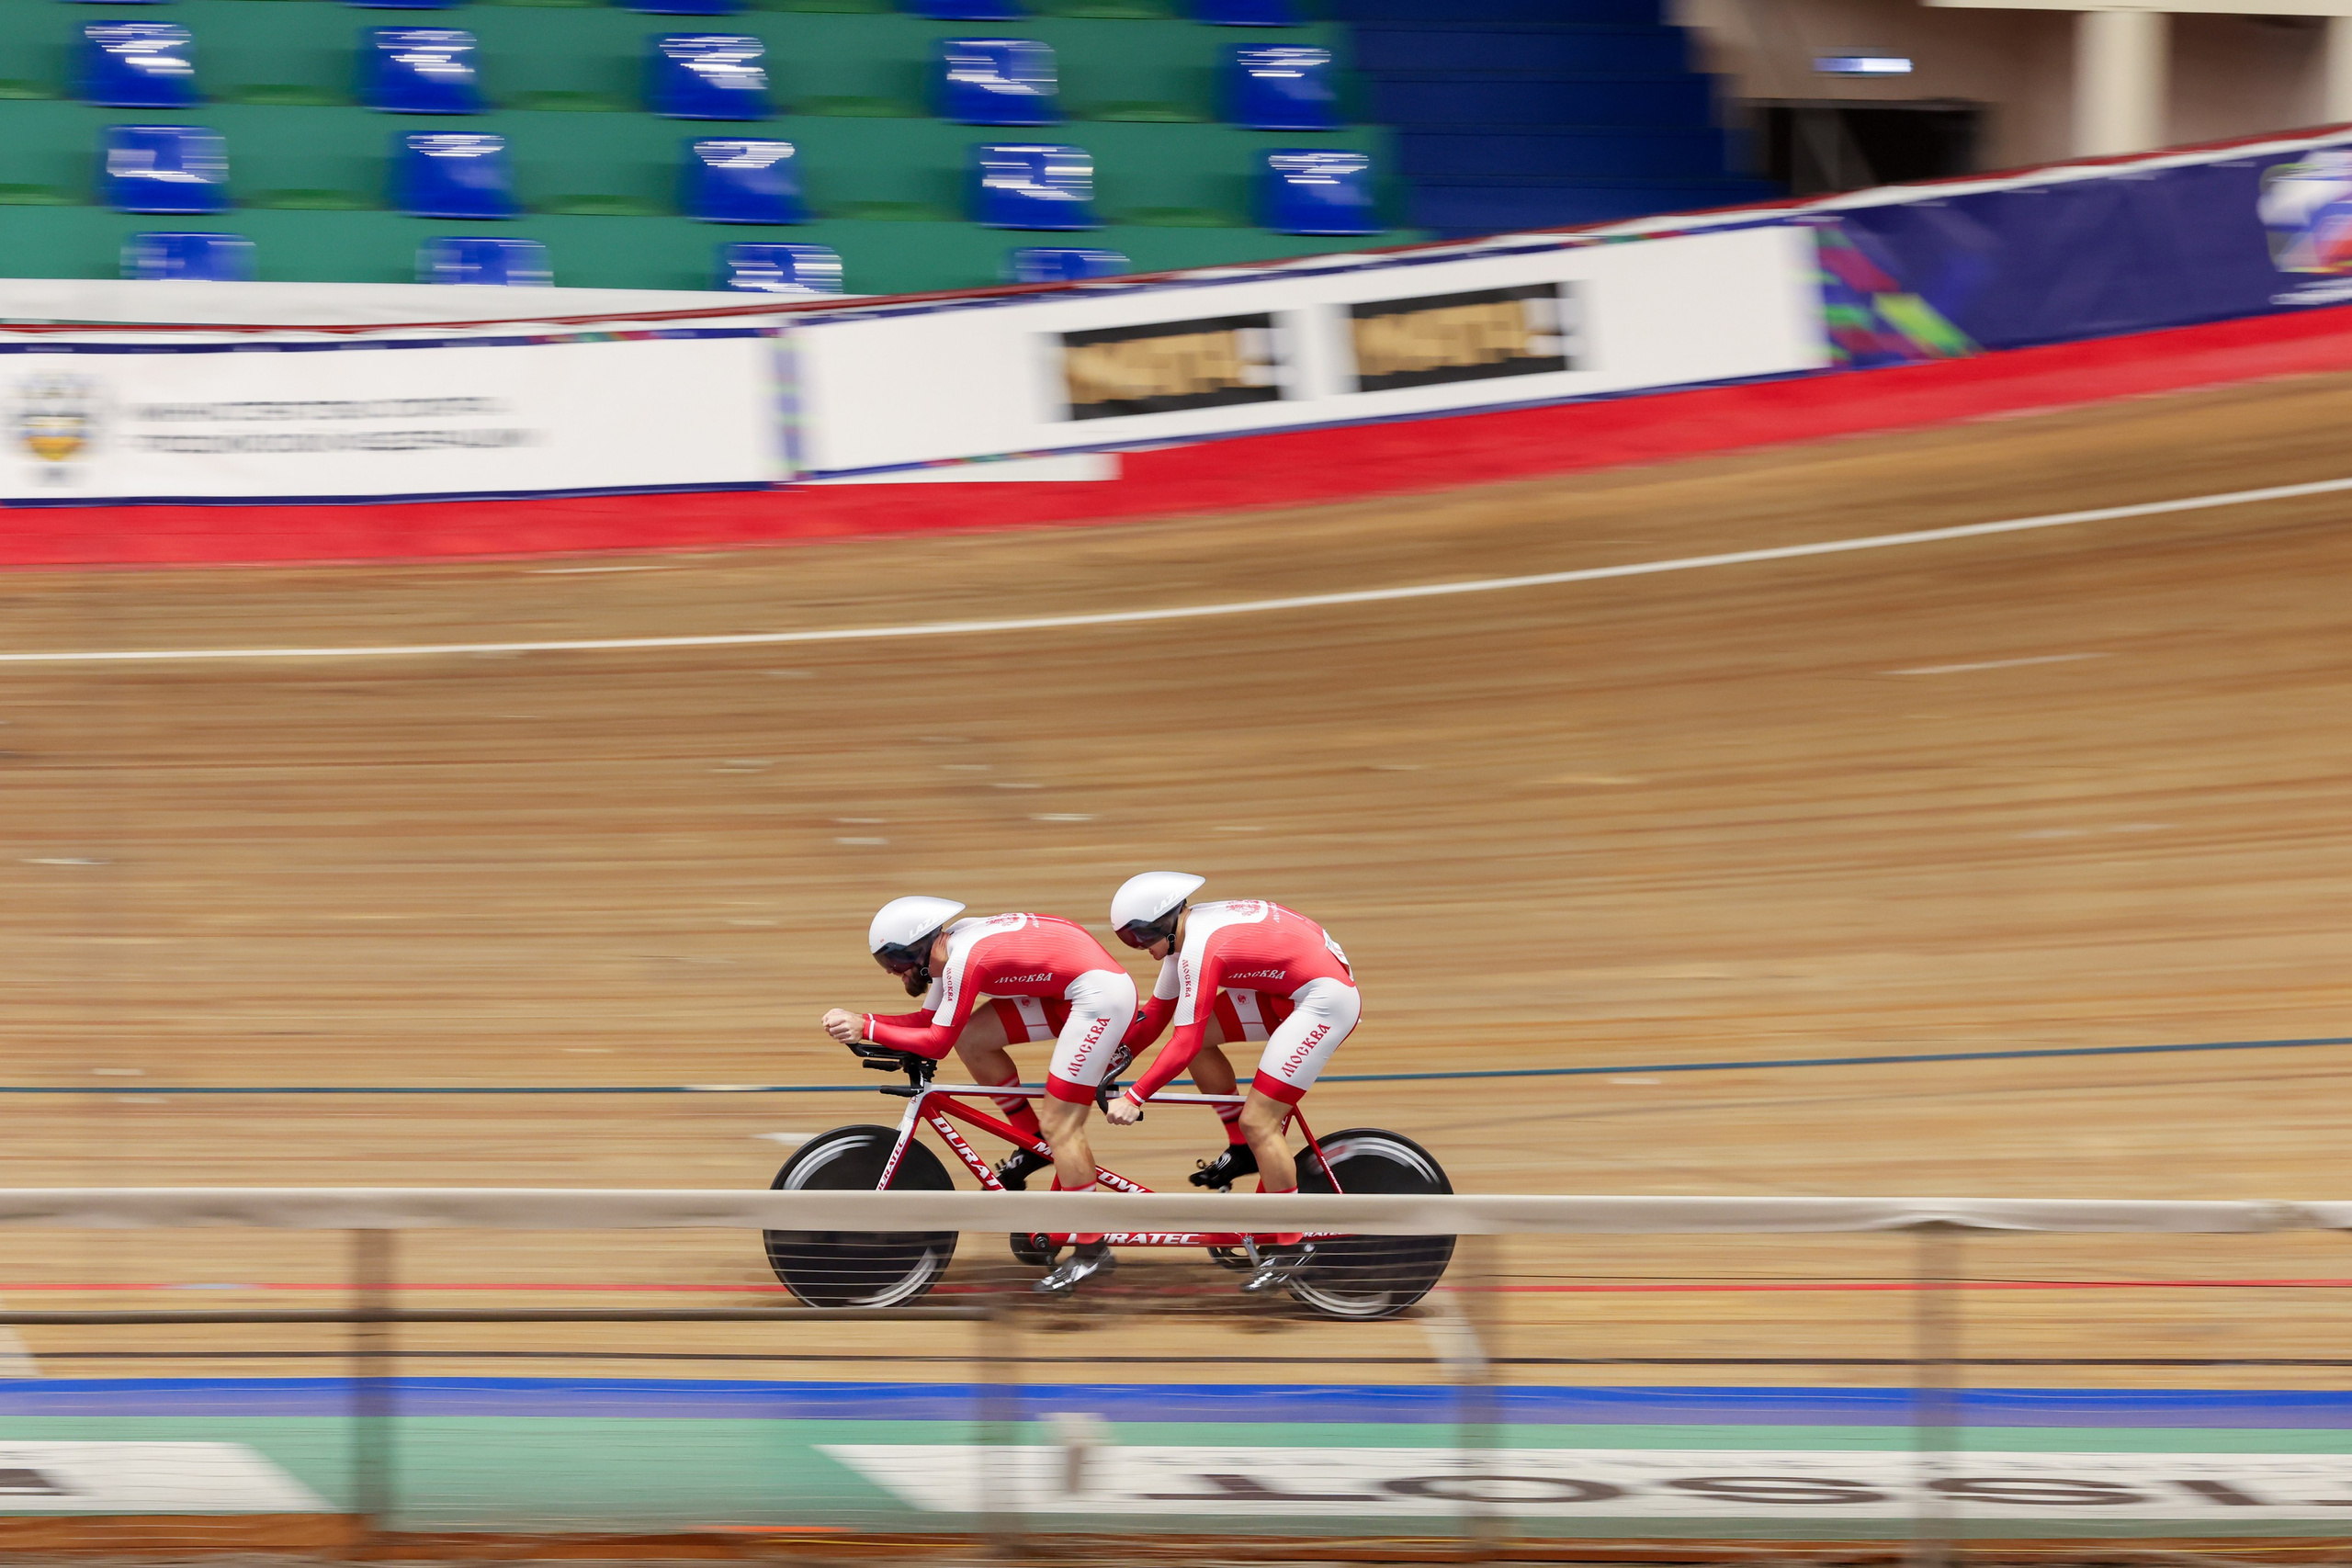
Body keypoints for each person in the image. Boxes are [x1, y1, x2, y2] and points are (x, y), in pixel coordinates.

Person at [821, 896, 1136, 1295]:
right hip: (1070, 993)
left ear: (920, 947)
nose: (892, 972)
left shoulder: (963, 959)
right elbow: (928, 1021)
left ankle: (1091, 1250)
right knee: (972, 1038)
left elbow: (936, 1042)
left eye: (895, 961)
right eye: (886, 963)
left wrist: (866, 1027)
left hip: (1100, 1000)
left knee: (1062, 1123)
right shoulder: (948, 948)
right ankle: (1033, 1142)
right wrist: (862, 1018)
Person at [1099, 872, 1359, 1293]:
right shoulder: (1186, 936)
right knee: (1203, 1042)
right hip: (1288, 991)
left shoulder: (1200, 948)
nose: (1142, 949)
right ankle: (1242, 1148)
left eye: (1142, 937)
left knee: (1260, 1120)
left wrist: (1134, 1096)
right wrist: (1107, 1063)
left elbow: (1183, 1041)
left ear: (1165, 921)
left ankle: (1291, 1245)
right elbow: (1158, 1014)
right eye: (1131, 941)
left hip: (1324, 1002)